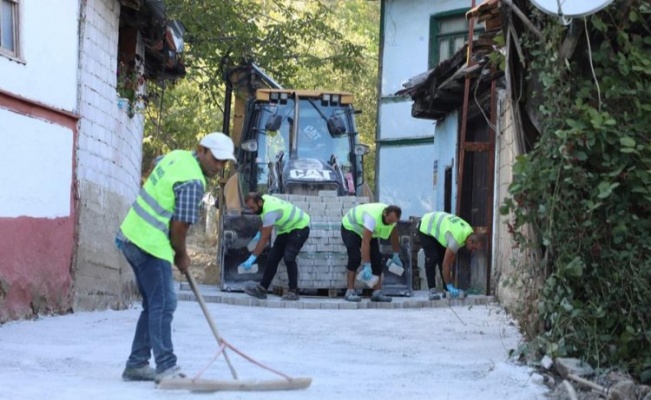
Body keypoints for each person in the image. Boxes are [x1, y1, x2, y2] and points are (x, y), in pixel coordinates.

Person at [115, 132, 236, 383]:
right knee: (164, 304)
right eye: (215, 159)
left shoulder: (178, 156)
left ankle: (136, 364)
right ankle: (166, 367)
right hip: (148, 243)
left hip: (130, 236)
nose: (219, 166)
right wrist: (182, 256)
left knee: (153, 304)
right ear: (201, 150)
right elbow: (179, 229)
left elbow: (155, 163)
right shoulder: (193, 182)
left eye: (224, 162)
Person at [242, 193, 311, 301]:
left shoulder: (270, 211)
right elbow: (265, 221)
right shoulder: (263, 201)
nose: (252, 211)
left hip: (300, 226)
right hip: (286, 229)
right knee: (272, 257)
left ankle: (293, 291)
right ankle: (262, 289)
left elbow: (264, 239)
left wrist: (252, 258)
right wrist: (259, 233)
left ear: (259, 202)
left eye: (252, 208)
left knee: (289, 257)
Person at [340, 203, 403, 302]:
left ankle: (377, 292)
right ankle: (350, 290)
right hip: (351, 227)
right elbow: (365, 241)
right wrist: (367, 265)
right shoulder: (372, 217)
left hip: (368, 231)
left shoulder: (392, 219)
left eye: (393, 222)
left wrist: (396, 254)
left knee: (377, 259)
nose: (391, 224)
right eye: (390, 221)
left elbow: (394, 235)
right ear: (384, 213)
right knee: (355, 258)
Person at [418, 211, 484, 300]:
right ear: (470, 241)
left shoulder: (469, 232)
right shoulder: (456, 239)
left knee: (442, 257)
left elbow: (446, 261)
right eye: (474, 248)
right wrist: (450, 285)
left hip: (439, 227)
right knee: (432, 258)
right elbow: (446, 264)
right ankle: (432, 290)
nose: (473, 251)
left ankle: (447, 290)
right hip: (427, 225)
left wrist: (449, 287)